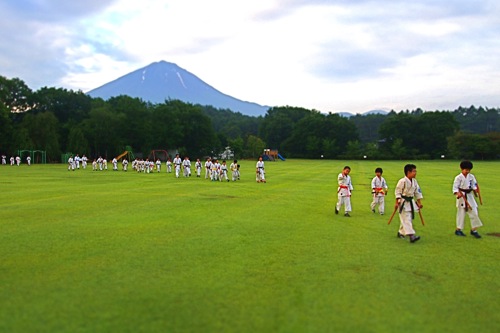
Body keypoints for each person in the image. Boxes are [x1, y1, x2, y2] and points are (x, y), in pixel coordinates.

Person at [452, 160, 483, 238]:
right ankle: (458, 230)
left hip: (469, 196)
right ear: (461, 169)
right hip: (462, 197)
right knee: (461, 213)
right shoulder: (458, 177)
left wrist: (476, 189)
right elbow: (455, 188)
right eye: (466, 170)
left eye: (469, 170)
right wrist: (457, 193)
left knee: (474, 212)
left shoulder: (471, 176)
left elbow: (474, 185)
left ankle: (474, 230)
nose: (467, 171)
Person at [394, 164, 423, 243]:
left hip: (410, 202)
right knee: (406, 219)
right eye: (414, 171)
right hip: (403, 202)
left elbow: (417, 192)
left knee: (407, 218)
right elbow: (398, 192)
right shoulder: (402, 181)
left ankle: (401, 232)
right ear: (408, 172)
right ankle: (411, 236)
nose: (415, 173)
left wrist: (419, 202)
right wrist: (397, 202)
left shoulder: (414, 181)